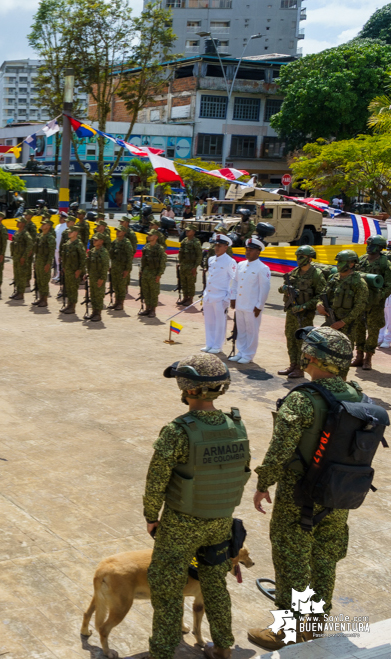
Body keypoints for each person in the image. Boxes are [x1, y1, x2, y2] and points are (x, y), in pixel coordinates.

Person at [247, 327, 371, 651]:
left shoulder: (303, 399)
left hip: (298, 495)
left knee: (292, 557)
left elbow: (280, 449)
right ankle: (313, 625)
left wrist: (263, 483)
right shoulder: (358, 394)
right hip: (339, 494)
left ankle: (287, 631)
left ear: (312, 357)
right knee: (325, 557)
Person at [146, 353, 248, 659]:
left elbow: (156, 481)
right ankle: (224, 646)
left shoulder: (178, 430)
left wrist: (152, 516)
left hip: (181, 523)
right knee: (215, 583)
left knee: (167, 586)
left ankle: (163, 651)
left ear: (187, 388)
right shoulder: (236, 425)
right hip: (220, 521)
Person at [278, 246, 328, 378]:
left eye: (301, 257)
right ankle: (293, 364)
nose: (298, 260)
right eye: (297, 257)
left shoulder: (316, 274)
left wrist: (304, 306)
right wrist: (284, 288)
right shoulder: (294, 272)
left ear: (310, 258)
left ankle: (300, 368)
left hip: (304, 314)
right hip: (292, 312)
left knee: (302, 341)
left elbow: (321, 296)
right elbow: (281, 288)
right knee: (290, 337)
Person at [228, 237, 272, 364]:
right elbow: (235, 282)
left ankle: (248, 354)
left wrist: (260, 306)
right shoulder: (240, 265)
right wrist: (233, 298)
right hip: (240, 304)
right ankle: (241, 352)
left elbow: (264, 289)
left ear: (258, 252)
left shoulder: (262, 268)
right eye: (247, 249)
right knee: (241, 330)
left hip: (253, 306)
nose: (248, 252)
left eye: (251, 250)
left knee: (251, 331)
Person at [351, 235, 391, 369]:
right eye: (368, 245)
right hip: (360, 302)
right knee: (359, 329)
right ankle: (359, 356)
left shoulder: (385, 264)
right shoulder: (362, 260)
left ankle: (368, 358)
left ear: (380, 248)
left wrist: (378, 297)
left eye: (372, 245)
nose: (368, 247)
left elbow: (389, 286)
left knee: (373, 331)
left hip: (375, 304)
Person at [316, 250, 369, 350]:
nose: (338, 265)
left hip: (347, 325)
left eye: (341, 262)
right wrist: (319, 304)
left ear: (351, 264)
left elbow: (360, 306)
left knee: (343, 352)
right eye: (338, 262)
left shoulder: (358, 282)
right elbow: (323, 295)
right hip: (330, 321)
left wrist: (343, 322)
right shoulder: (333, 278)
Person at [202, 235, 237, 354]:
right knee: (209, 321)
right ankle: (209, 343)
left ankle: (217, 345)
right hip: (209, 295)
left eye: (220, 246)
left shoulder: (230, 261)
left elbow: (235, 280)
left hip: (221, 296)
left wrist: (230, 297)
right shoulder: (211, 259)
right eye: (216, 245)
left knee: (220, 322)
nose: (216, 248)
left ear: (226, 247)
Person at [139, 232, 167, 318]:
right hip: (146, 273)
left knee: (153, 293)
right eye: (148, 235)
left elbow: (163, 263)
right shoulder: (146, 247)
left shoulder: (159, 249)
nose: (148, 236)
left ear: (156, 237)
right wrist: (141, 271)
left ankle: (153, 310)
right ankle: (147, 308)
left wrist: (159, 274)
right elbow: (143, 260)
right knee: (146, 292)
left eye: (150, 235)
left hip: (154, 274)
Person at [59, 228, 86, 315]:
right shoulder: (67, 243)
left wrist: (79, 270)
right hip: (67, 270)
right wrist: (63, 267)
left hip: (75, 271)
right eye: (69, 232)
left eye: (71, 232)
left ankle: (72, 306)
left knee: (73, 289)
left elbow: (83, 258)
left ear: (76, 233)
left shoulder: (78, 244)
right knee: (68, 288)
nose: (69, 233)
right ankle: (69, 305)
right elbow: (64, 257)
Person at [31, 218, 56, 307]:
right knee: (39, 281)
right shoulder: (40, 236)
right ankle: (40, 298)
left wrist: (49, 264)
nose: (42, 225)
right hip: (39, 262)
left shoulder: (50, 238)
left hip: (45, 263)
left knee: (44, 281)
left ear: (48, 226)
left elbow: (51, 252)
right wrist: (35, 262)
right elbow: (37, 251)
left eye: (44, 224)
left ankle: (44, 300)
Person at [109, 226, 133, 311]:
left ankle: (121, 303)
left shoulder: (126, 243)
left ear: (124, 232)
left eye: (119, 231)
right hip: (115, 267)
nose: (117, 232)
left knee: (121, 286)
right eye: (117, 231)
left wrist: (127, 270)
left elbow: (129, 258)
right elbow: (112, 256)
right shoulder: (114, 242)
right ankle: (116, 302)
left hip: (122, 268)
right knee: (115, 285)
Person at [85, 234, 109, 321]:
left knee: (98, 295)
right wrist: (88, 273)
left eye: (96, 240)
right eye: (93, 240)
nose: (94, 241)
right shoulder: (92, 251)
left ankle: (98, 314)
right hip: (92, 277)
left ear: (101, 241)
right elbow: (89, 264)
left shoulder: (103, 252)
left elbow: (105, 267)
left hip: (99, 277)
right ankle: (93, 312)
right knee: (93, 295)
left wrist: (102, 278)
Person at [177, 225, 201, 307]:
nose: (187, 231)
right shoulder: (184, 241)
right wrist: (180, 263)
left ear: (193, 232)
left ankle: (190, 299)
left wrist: (195, 267)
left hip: (191, 266)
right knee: (184, 282)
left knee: (190, 283)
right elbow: (181, 253)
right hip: (183, 265)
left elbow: (199, 256)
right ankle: (185, 297)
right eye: (186, 230)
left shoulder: (196, 242)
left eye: (189, 230)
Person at [9, 218, 33, 301]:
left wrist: (24, 256)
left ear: (23, 224)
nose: (17, 223)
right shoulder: (16, 232)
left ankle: (21, 293)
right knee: (17, 275)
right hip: (16, 257)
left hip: (21, 258)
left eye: (19, 222)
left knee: (21, 275)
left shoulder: (25, 234)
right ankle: (17, 291)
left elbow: (30, 245)